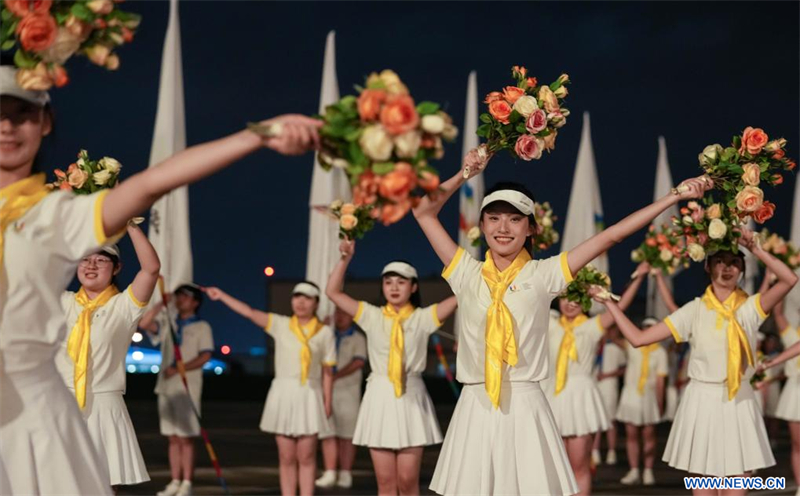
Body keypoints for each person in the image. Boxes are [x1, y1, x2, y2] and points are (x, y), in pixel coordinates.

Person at [0, 62, 322, 494]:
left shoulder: (58, 213)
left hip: (36, 414)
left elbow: (153, 182)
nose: (7, 126)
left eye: (21, 113)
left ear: (45, 121)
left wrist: (257, 136)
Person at [411, 144, 711, 495]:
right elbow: (423, 213)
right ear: (481, 225)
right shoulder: (465, 272)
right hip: (475, 406)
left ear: (531, 229)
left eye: (515, 219)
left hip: (525, 405)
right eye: (494, 218)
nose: (503, 227)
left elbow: (612, 235)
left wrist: (674, 197)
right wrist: (465, 174)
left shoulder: (545, 274)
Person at [592, 229, 798, 495]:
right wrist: (609, 303)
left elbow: (789, 279)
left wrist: (756, 249)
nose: (727, 268)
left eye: (734, 262)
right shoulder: (694, 310)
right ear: (707, 266)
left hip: (739, 402)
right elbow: (638, 338)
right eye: (720, 261)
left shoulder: (751, 307)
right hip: (702, 402)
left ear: (742, 269)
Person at [327, 246, 457, 496]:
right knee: (386, 483)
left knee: (407, 481)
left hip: (412, 395)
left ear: (414, 287)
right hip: (380, 395)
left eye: (401, 282)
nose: (394, 287)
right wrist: (345, 258)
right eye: (388, 282)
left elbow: (462, 295)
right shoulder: (371, 315)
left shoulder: (423, 317)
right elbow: (332, 292)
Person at [204, 283, 335, 496]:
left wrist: (327, 401)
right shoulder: (281, 324)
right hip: (283, 393)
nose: (301, 302)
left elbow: (328, 371)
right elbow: (249, 312)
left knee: (307, 456)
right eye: (297, 297)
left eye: (307, 298)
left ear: (316, 303)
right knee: (286, 457)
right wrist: (222, 295)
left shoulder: (324, 332)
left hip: (309, 395)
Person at [55, 222, 159, 489]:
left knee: (103, 486)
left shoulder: (124, 306)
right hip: (60, 403)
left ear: (117, 268)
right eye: (85, 259)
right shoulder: (61, 301)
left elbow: (151, 269)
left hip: (103, 405)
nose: (91, 265)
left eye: (101, 260)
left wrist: (128, 225)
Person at [545, 263, 649, 494]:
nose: (570, 303)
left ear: (585, 302)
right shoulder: (549, 325)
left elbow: (620, 305)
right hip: (552, 397)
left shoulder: (592, 327)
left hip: (581, 398)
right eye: (566, 297)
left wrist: (639, 278)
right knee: (555, 469)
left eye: (577, 299)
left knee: (579, 467)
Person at [140, 284, 214, 496]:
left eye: (185, 297)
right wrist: (160, 304)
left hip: (187, 388)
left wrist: (180, 368)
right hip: (165, 388)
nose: (180, 300)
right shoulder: (169, 322)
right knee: (172, 437)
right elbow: (144, 324)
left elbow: (205, 355)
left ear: (195, 302)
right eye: (179, 296)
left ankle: (187, 483)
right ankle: (175, 480)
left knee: (186, 438)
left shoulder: (201, 326)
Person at [316, 306, 367, 489]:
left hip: (348, 392)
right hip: (325, 390)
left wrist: (335, 376)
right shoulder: (326, 335)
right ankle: (330, 471)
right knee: (327, 432)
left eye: (344, 313)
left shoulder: (358, 338)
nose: (340, 317)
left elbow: (359, 361)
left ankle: (345, 472)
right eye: (337, 313)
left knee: (347, 434)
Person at [613, 317, 668, 486]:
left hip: (648, 396)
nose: (648, 329)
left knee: (649, 435)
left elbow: (660, 381)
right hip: (631, 394)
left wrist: (660, 402)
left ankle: (648, 470)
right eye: (645, 326)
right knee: (631, 435)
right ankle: (634, 469)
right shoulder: (632, 345)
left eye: (652, 327)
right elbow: (613, 336)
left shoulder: (660, 352)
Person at [592, 325, 626, 467]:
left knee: (611, 419)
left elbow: (623, 369)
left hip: (609, 386)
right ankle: (595, 451)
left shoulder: (615, 349)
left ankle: (612, 451)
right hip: (594, 385)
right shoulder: (594, 348)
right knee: (595, 419)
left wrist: (608, 375)